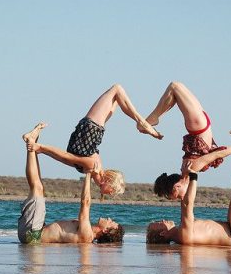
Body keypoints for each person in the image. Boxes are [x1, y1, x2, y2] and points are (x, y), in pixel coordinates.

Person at [25, 84, 163, 197]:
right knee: (116, 91)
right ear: (108, 181)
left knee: (116, 93)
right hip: (91, 131)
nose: (112, 194)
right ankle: (141, 122)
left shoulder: (91, 170)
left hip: (90, 131)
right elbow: (65, 156)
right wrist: (40, 148)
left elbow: (65, 159)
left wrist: (41, 149)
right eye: (113, 191)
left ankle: (141, 121)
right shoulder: (92, 166)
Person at [146, 130, 231, 248]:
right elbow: (187, 204)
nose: (163, 220)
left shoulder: (181, 232)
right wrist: (193, 175)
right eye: (159, 223)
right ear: (163, 233)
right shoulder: (183, 234)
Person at [18, 123, 124, 244]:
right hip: (36, 232)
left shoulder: (87, 235)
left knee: (37, 188)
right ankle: (33, 144)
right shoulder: (87, 232)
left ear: (106, 230)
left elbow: (85, 203)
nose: (109, 219)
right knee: (38, 187)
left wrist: (88, 173)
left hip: (32, 236)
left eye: (111, 222)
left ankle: (31, 143)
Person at [143, 82, 230, 199]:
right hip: (200, 126)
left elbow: (219, 153)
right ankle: (155, 117)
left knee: (175, 87)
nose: (181, 198)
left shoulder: (190, 169)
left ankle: (154, 117)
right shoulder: (189, 171)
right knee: (175, 91)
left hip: (199, 127)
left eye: (178, 196)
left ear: (177, 186)